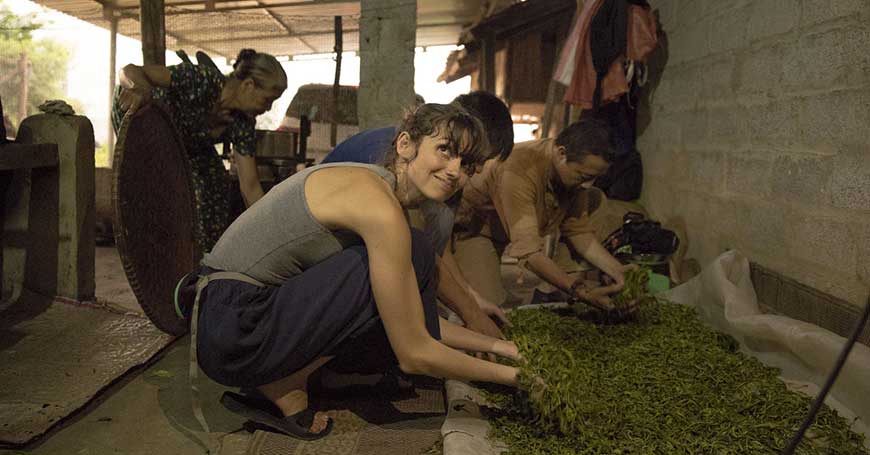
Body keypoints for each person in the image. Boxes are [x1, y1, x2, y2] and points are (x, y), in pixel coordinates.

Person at [175, 103, 523, 439]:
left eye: (467, 165)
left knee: (412, 253)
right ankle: (282, 380)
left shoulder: (382, 194)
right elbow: (414, 352)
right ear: (405, 145)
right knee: (410, 255)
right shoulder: (376, 205)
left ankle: (291, 374)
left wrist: (503, 349)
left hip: (232, 320)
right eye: (445, 150)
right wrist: (515, 378)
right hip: (232, 325)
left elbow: (413, 319)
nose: (454, 171)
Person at [321, 91, 514, 341]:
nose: (469, 170)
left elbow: (434, 249)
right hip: (325, 262)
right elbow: (411, 249)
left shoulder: (448, 174)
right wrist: (469, 318)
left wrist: (470, 300)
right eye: (453, 151)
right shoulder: (386, 158)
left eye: (474, 163)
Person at [112, 49, 287, 251]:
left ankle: (205, 256)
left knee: (215, 180)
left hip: (184, 143)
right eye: (267, 100)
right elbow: (129, 71)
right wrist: (140, 90)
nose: (268, 108)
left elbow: (250, 186)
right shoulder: (203, 79)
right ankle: (155, 248)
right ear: (248, 85)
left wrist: (273, 228)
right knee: (162, 187)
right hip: (140, 120)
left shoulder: (243, 123)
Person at [454, 118, 633, 311]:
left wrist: (617, 270)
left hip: (519, 223)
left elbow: (578, 231)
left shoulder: (575, 174)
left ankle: (551, 291)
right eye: (584, 177)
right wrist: (580, 291)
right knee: (486, 308)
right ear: (561, 153)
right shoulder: (519, 169)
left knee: (597, 198)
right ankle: (565, 286)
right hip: (478, 229)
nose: (588, 185)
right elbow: (529, 252)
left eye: (595, 177)